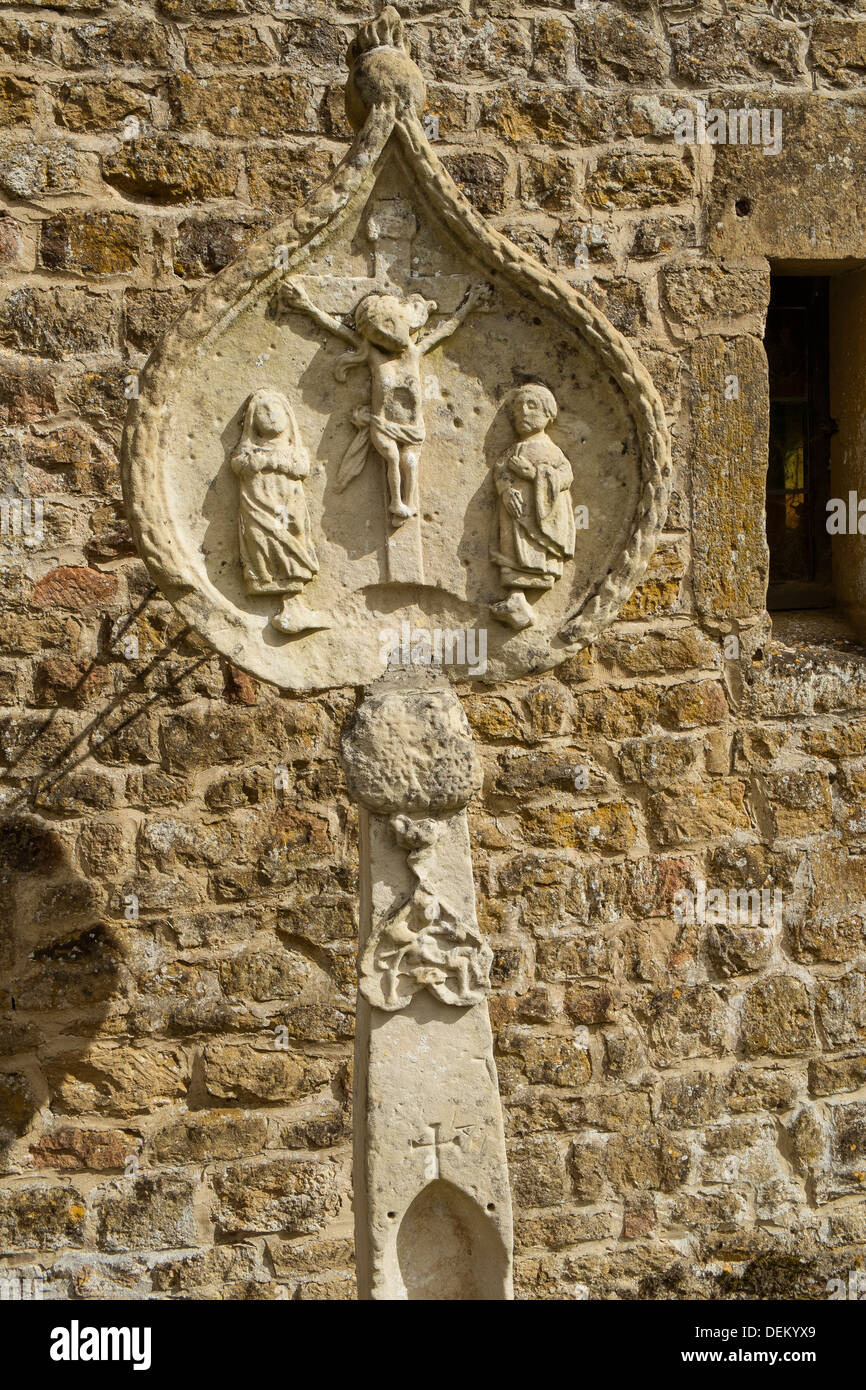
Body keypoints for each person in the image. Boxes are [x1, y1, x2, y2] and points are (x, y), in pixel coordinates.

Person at [277, 279, 492, 525]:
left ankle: (408, 504)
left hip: (412, 428)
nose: (386, 335)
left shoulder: (414, 352)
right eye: (378, 332)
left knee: (409, 461)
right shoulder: (373, 355)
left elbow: (446, 330)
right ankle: (396, 504)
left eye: (390, 326)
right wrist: (308, 306)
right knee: (391, 456)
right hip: (382, 423)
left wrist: (470, 304)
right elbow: (339, 330)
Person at [231, 388, 330, 635]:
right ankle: (268, 583)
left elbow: (301, 467)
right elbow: (239, 463)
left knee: (291, 542)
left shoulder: (293, 448)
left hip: (288, 507)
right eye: (263, 410)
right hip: (257, 506)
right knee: (260, 541)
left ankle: (293, 603)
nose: (271, 415)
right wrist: (255, 461)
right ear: (253, 419)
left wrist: (276, 462)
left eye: (275, 409)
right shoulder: (247, 449)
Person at [490, 383, 576, 630]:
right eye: (517, 408)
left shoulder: (553, 451)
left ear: (549, 414)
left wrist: (534, 474)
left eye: (531, 406)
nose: (523, 412)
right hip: (515, 514)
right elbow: (500, 471)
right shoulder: (513, 450)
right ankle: (516, 596)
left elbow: (566, 476)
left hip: (543, 517)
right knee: (512, 550)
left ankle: (534, 585)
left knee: (537, 552)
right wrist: (506, 491)